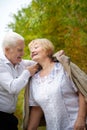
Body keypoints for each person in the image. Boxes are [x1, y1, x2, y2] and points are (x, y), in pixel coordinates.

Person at [26, 38, 87, 130]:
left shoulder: (64, 68)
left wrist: (81, 119)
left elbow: (82, 91)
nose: (32, 51)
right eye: (31, 50)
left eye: (36, 47)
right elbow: (36, 108)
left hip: (76, 126)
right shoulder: (34, 79)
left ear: (47, 49)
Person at [0, 31, 40, 130]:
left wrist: (55, 57)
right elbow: (12, 88)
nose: (23, 53)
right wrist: (27, 73)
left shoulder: (19, 63)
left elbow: (41, 62)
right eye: (19, 50)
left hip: (9, 118)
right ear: (7, 50)